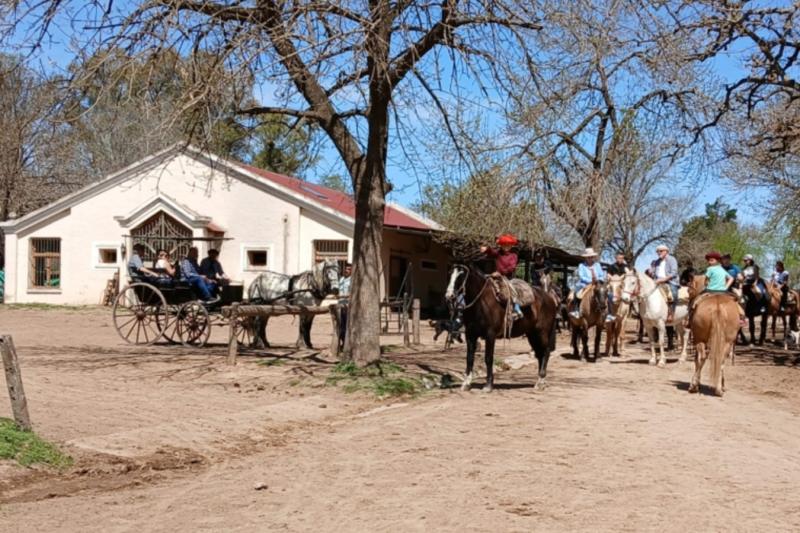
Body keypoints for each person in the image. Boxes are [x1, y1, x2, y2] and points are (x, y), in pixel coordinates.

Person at [480, 234, 522, 318]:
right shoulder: (498, 253)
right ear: (501, 245)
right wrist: (487, 249)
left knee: (513, 291)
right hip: (496, 277)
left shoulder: (514, 256)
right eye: (504, 244)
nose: (506, 246)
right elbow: (492, 252)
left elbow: (511, 267)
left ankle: (517, 309)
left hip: (508, 278)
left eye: (508, 244)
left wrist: (501, 273)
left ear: (511, 245)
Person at [569, 247, 610, 321]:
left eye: (591, 257)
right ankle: (577, 310)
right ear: (585, 258)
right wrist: (590, 281)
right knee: (577, 293)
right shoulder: (581, 265)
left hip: (597, 284)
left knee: (607, 293)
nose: (590, 258)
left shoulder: (597, 265)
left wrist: (598, 280)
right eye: (588, 257)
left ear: (593, 257)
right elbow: (582, 276)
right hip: (585, 284)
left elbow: (601, 275)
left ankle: (608, 312)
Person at [649, 244, 679, 322]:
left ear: (666, 251)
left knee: (673, 294)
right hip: (657, 281)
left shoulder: (672, 259)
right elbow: (653, 272)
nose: (659, 253)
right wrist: (651, 271)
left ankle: (671, 313)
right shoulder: (656, 262)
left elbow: (674, 272)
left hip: (670, 281)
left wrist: (664, 279)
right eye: (657, 252)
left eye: (661, 251)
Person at [336, 263, 353, 348]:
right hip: (340, 306)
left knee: (345, 326)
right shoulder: (341, 279)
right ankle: (342, 343)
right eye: (346, 269)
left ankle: (346, 344)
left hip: (347, 306)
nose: (347, 271)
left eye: (349, 269)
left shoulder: (352, 280)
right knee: (340, 326)